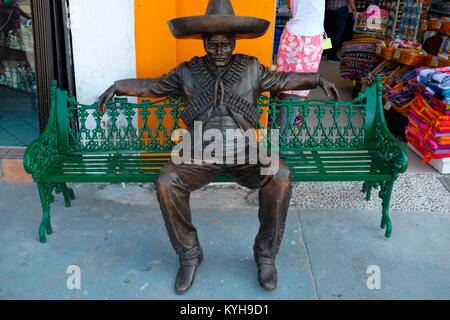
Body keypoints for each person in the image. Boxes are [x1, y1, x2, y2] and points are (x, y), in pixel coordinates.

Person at [98, 0, 339, 295]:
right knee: (166, 182)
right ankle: (189, 254)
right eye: (213, 45)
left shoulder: (251, 67)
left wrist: (316, 78)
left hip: (246, 153)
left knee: (280, 175)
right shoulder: (187, 72)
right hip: (199, 153)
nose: (220, 51)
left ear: (235, 42)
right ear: (204, 42)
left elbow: (282, 79)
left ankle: (265, 255)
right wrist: (119, 85)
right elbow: (153, 86)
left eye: (226, 44)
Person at [275, 0, 326, 142]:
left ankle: (278, 139)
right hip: (306, 38)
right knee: (295, 93)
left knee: (286, 90)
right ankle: (282, 143)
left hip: (295, 34)